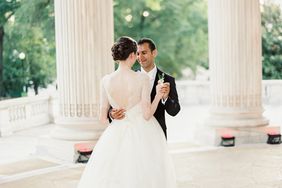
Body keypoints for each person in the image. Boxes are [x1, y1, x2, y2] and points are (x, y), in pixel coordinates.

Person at [77, 36, 176, 188]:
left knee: (113, 173)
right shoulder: (141, 78)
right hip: (144, 132)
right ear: (131, 55)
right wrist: (157, 96)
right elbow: (147, 114)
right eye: (136, 54)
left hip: (116, 132)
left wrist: (112, 114)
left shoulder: (106, 80)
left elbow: (102, 118)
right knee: (146, 172)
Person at [110, 37, 181, 139]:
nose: (140, 57)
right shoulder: (129, 77)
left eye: (144, 53)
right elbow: (114, 105)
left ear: (154, 53)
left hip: (158, 135)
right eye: (137, 53)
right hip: (134, 135)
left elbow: (175, 111)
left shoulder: (168, 80)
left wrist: (165, 98)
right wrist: (112, 114)